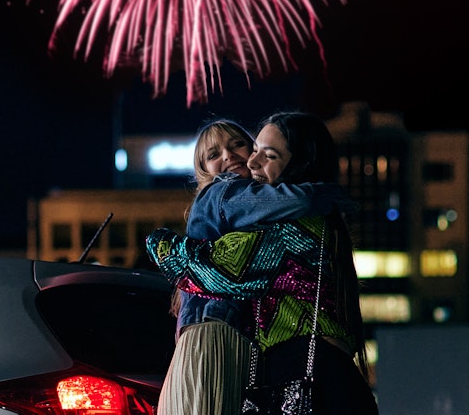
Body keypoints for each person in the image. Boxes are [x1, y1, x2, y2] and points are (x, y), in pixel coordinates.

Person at [150, 111, 377, 414]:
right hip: (323, 376)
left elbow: (211, 271)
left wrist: (161, 244)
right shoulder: (319, 221)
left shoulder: (282, 230)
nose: (251, 162)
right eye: (254, 150)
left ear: (299, 163)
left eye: (267, 155)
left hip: (312, 381)